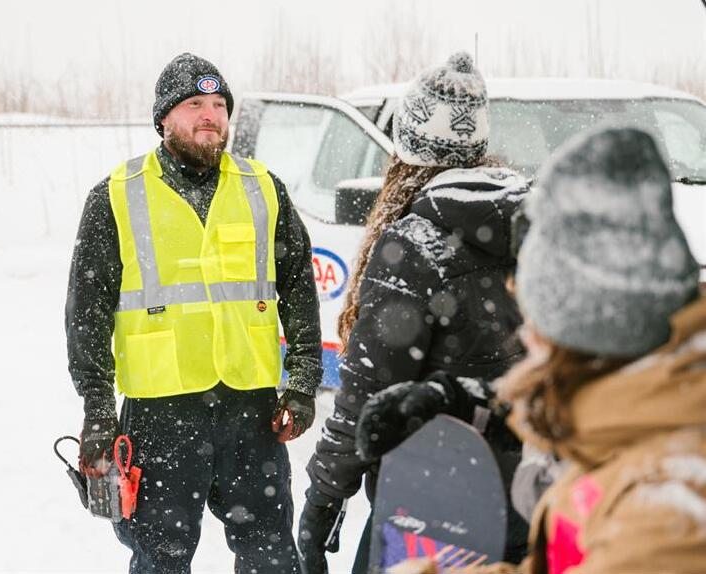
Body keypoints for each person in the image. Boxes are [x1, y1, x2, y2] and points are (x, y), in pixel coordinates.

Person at [393, 126, 706, 574]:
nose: (525, 337)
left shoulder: (667, 508)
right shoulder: (625, 435)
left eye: (539, 324)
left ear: (588, 336)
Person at [65, 52, 323, 574]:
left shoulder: (263, 188)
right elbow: (86, 314)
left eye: (219, 105)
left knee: (271, 555)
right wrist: (98, 410)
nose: (210, 116)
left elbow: (299, 289)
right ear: (163, 118)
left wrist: (301, 383)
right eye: (194, 105)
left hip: (251, 413)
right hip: (161, 417)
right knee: (160, 560)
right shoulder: (116, 196)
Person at [297, 52, 530, 574]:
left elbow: (367, 392)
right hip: (534, 494)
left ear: (407, 147)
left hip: (435, 505)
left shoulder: (416, 246)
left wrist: (323, 500)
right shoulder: (537, 226)